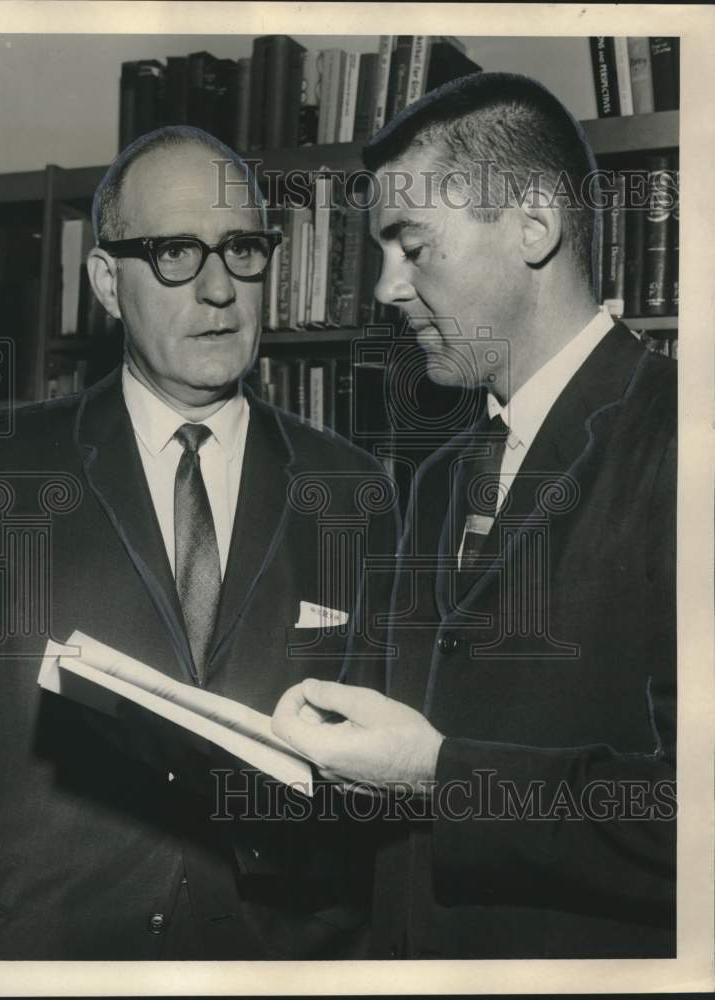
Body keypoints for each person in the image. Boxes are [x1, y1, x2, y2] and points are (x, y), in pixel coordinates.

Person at [0, 126, 397, 960]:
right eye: (173, 253)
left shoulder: (355, 490)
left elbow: (369, 792)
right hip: (43, 955)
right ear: (106, 283)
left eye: (242, 250)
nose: (218, 288)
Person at [273, 73, 677, 959]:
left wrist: (436, 774)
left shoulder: (681, 440)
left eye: (411, 246)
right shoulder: (444, 479)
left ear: (534, 225)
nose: (384, 287)